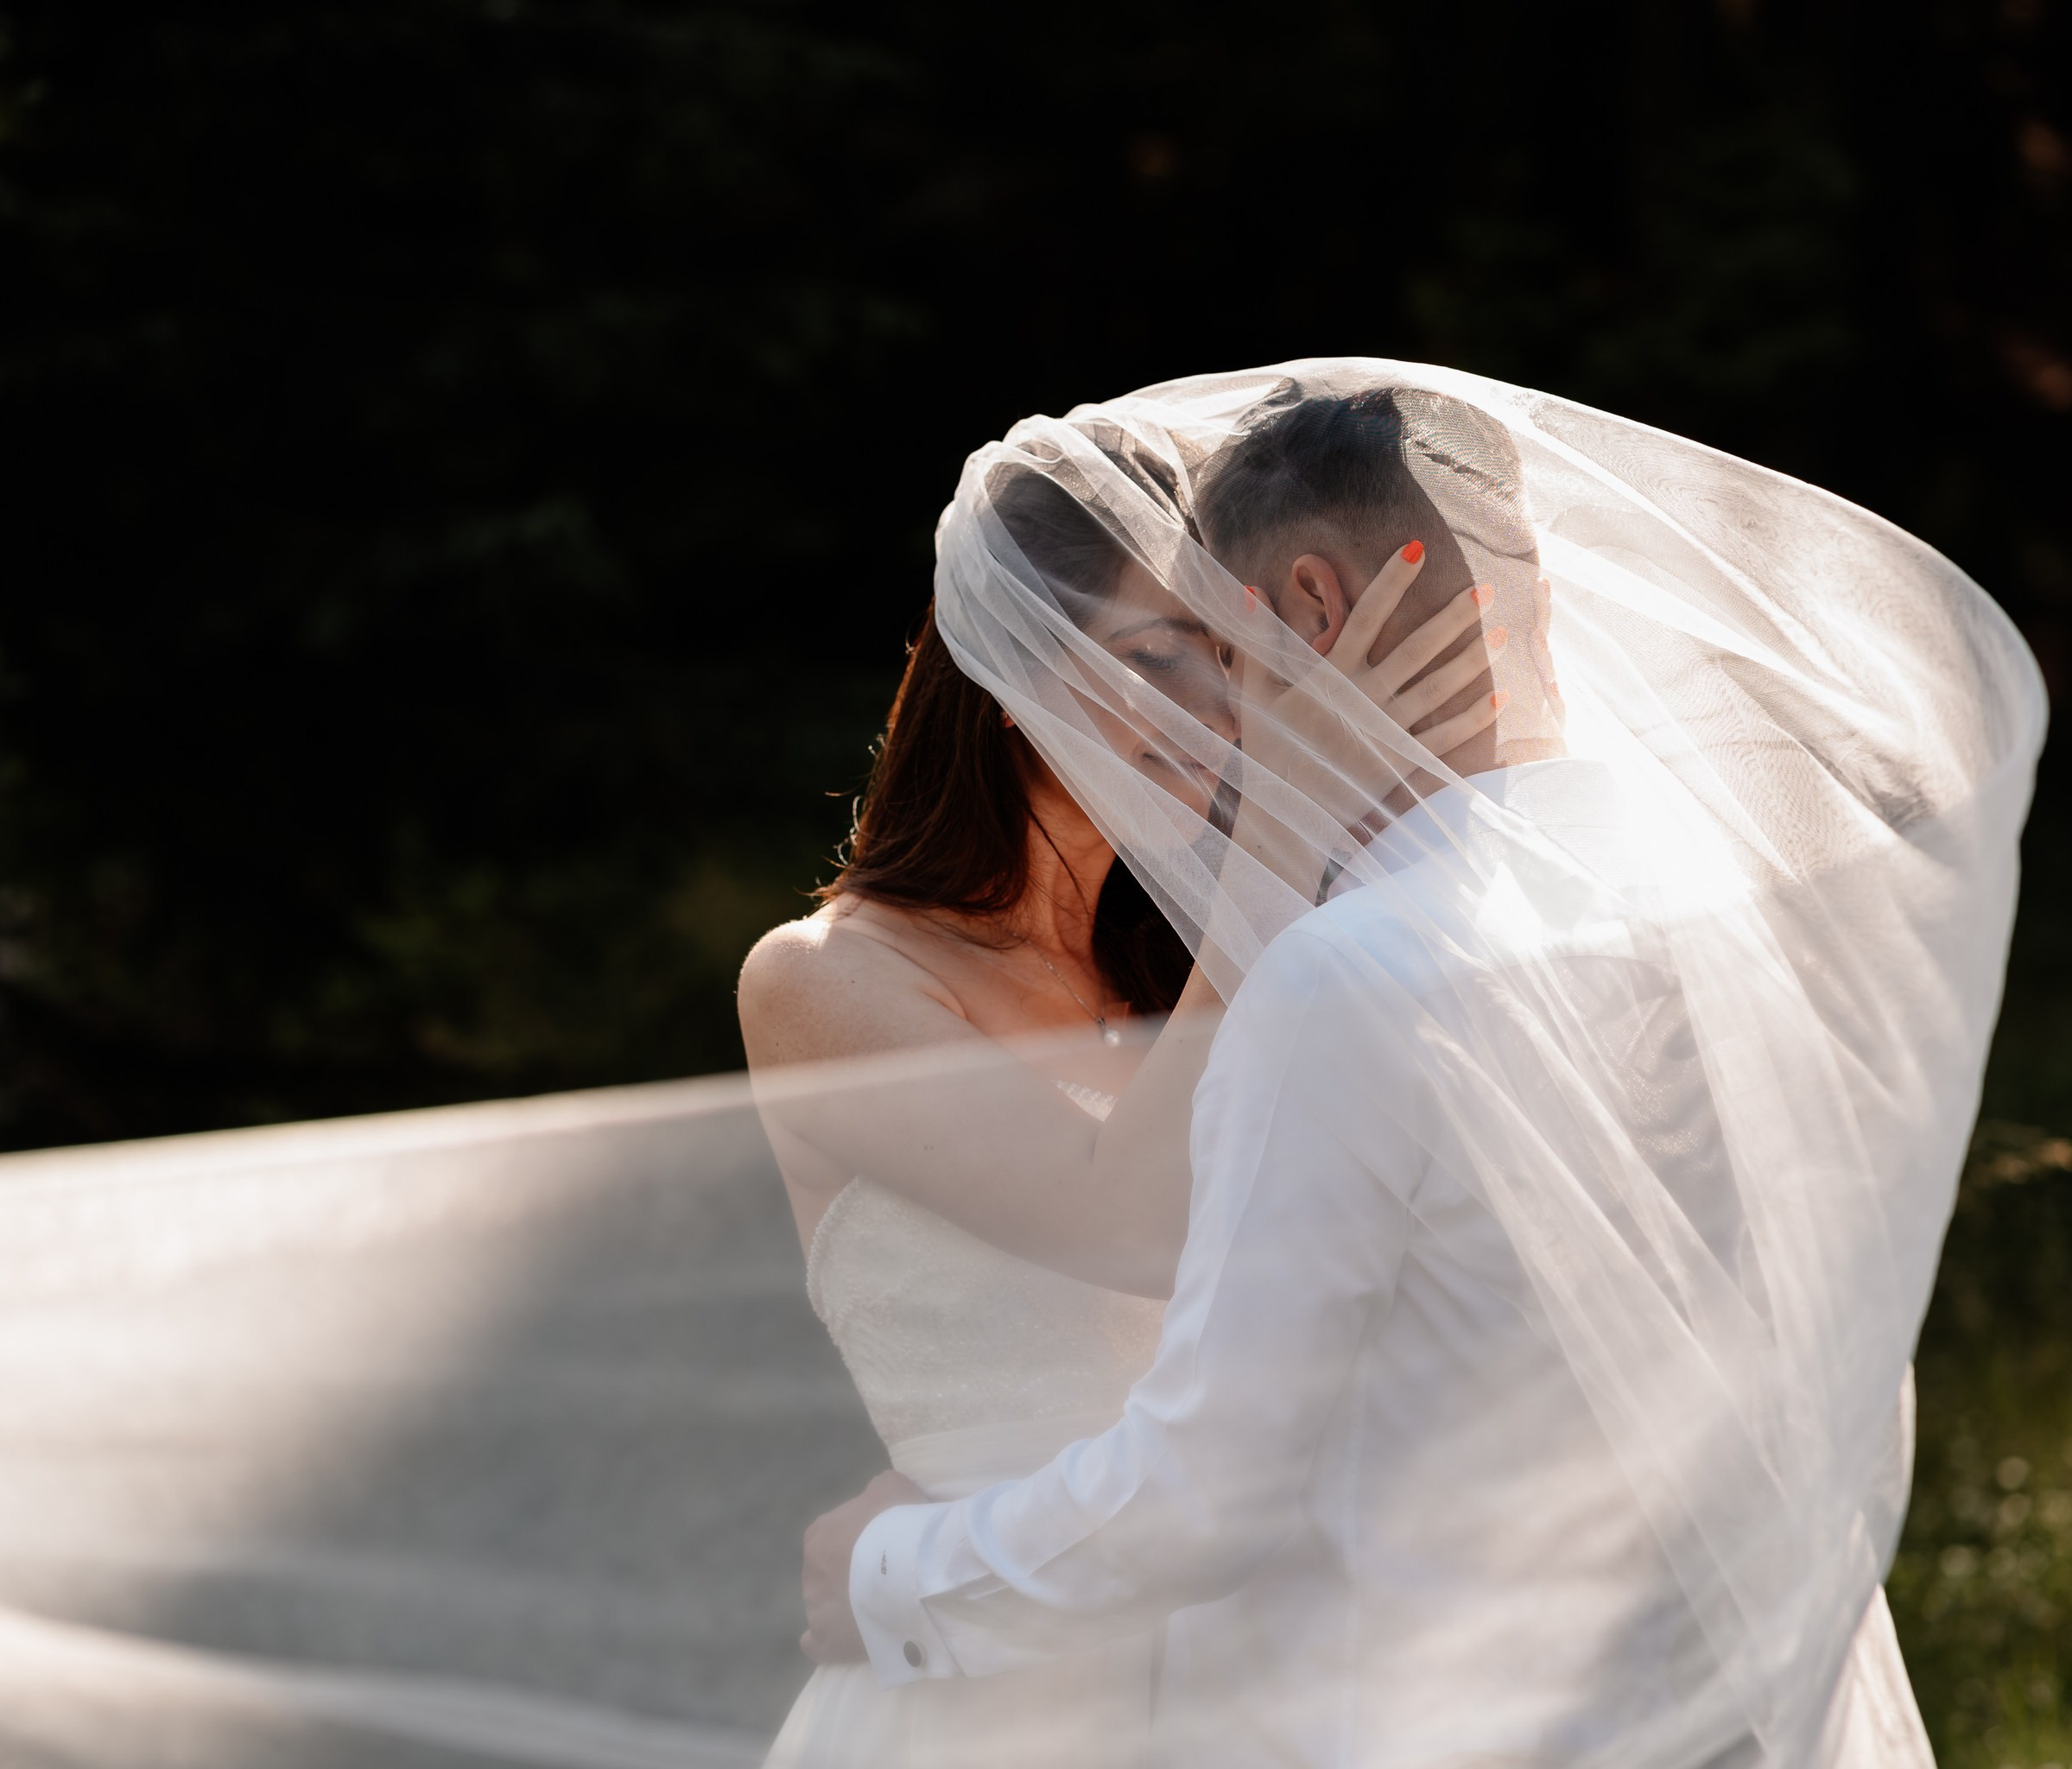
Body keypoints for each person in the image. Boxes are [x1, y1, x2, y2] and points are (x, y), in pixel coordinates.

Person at [794, 366, 2040, 1768]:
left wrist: (900, 1573)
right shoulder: (1718, 901)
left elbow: (1213, 1489)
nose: (1214, 706)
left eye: (1220, 643)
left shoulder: (1351, 976)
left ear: (1313, 609)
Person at [738, 441, 1497, 1767]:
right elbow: (1123, 1219)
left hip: (1256, 1665)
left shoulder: (1198, 966)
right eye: (1155, 658)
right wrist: (1281, 837)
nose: (1218, 703)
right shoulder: (824, 981)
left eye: (1228, 650)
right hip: (987, 1691)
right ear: (1015, 675)